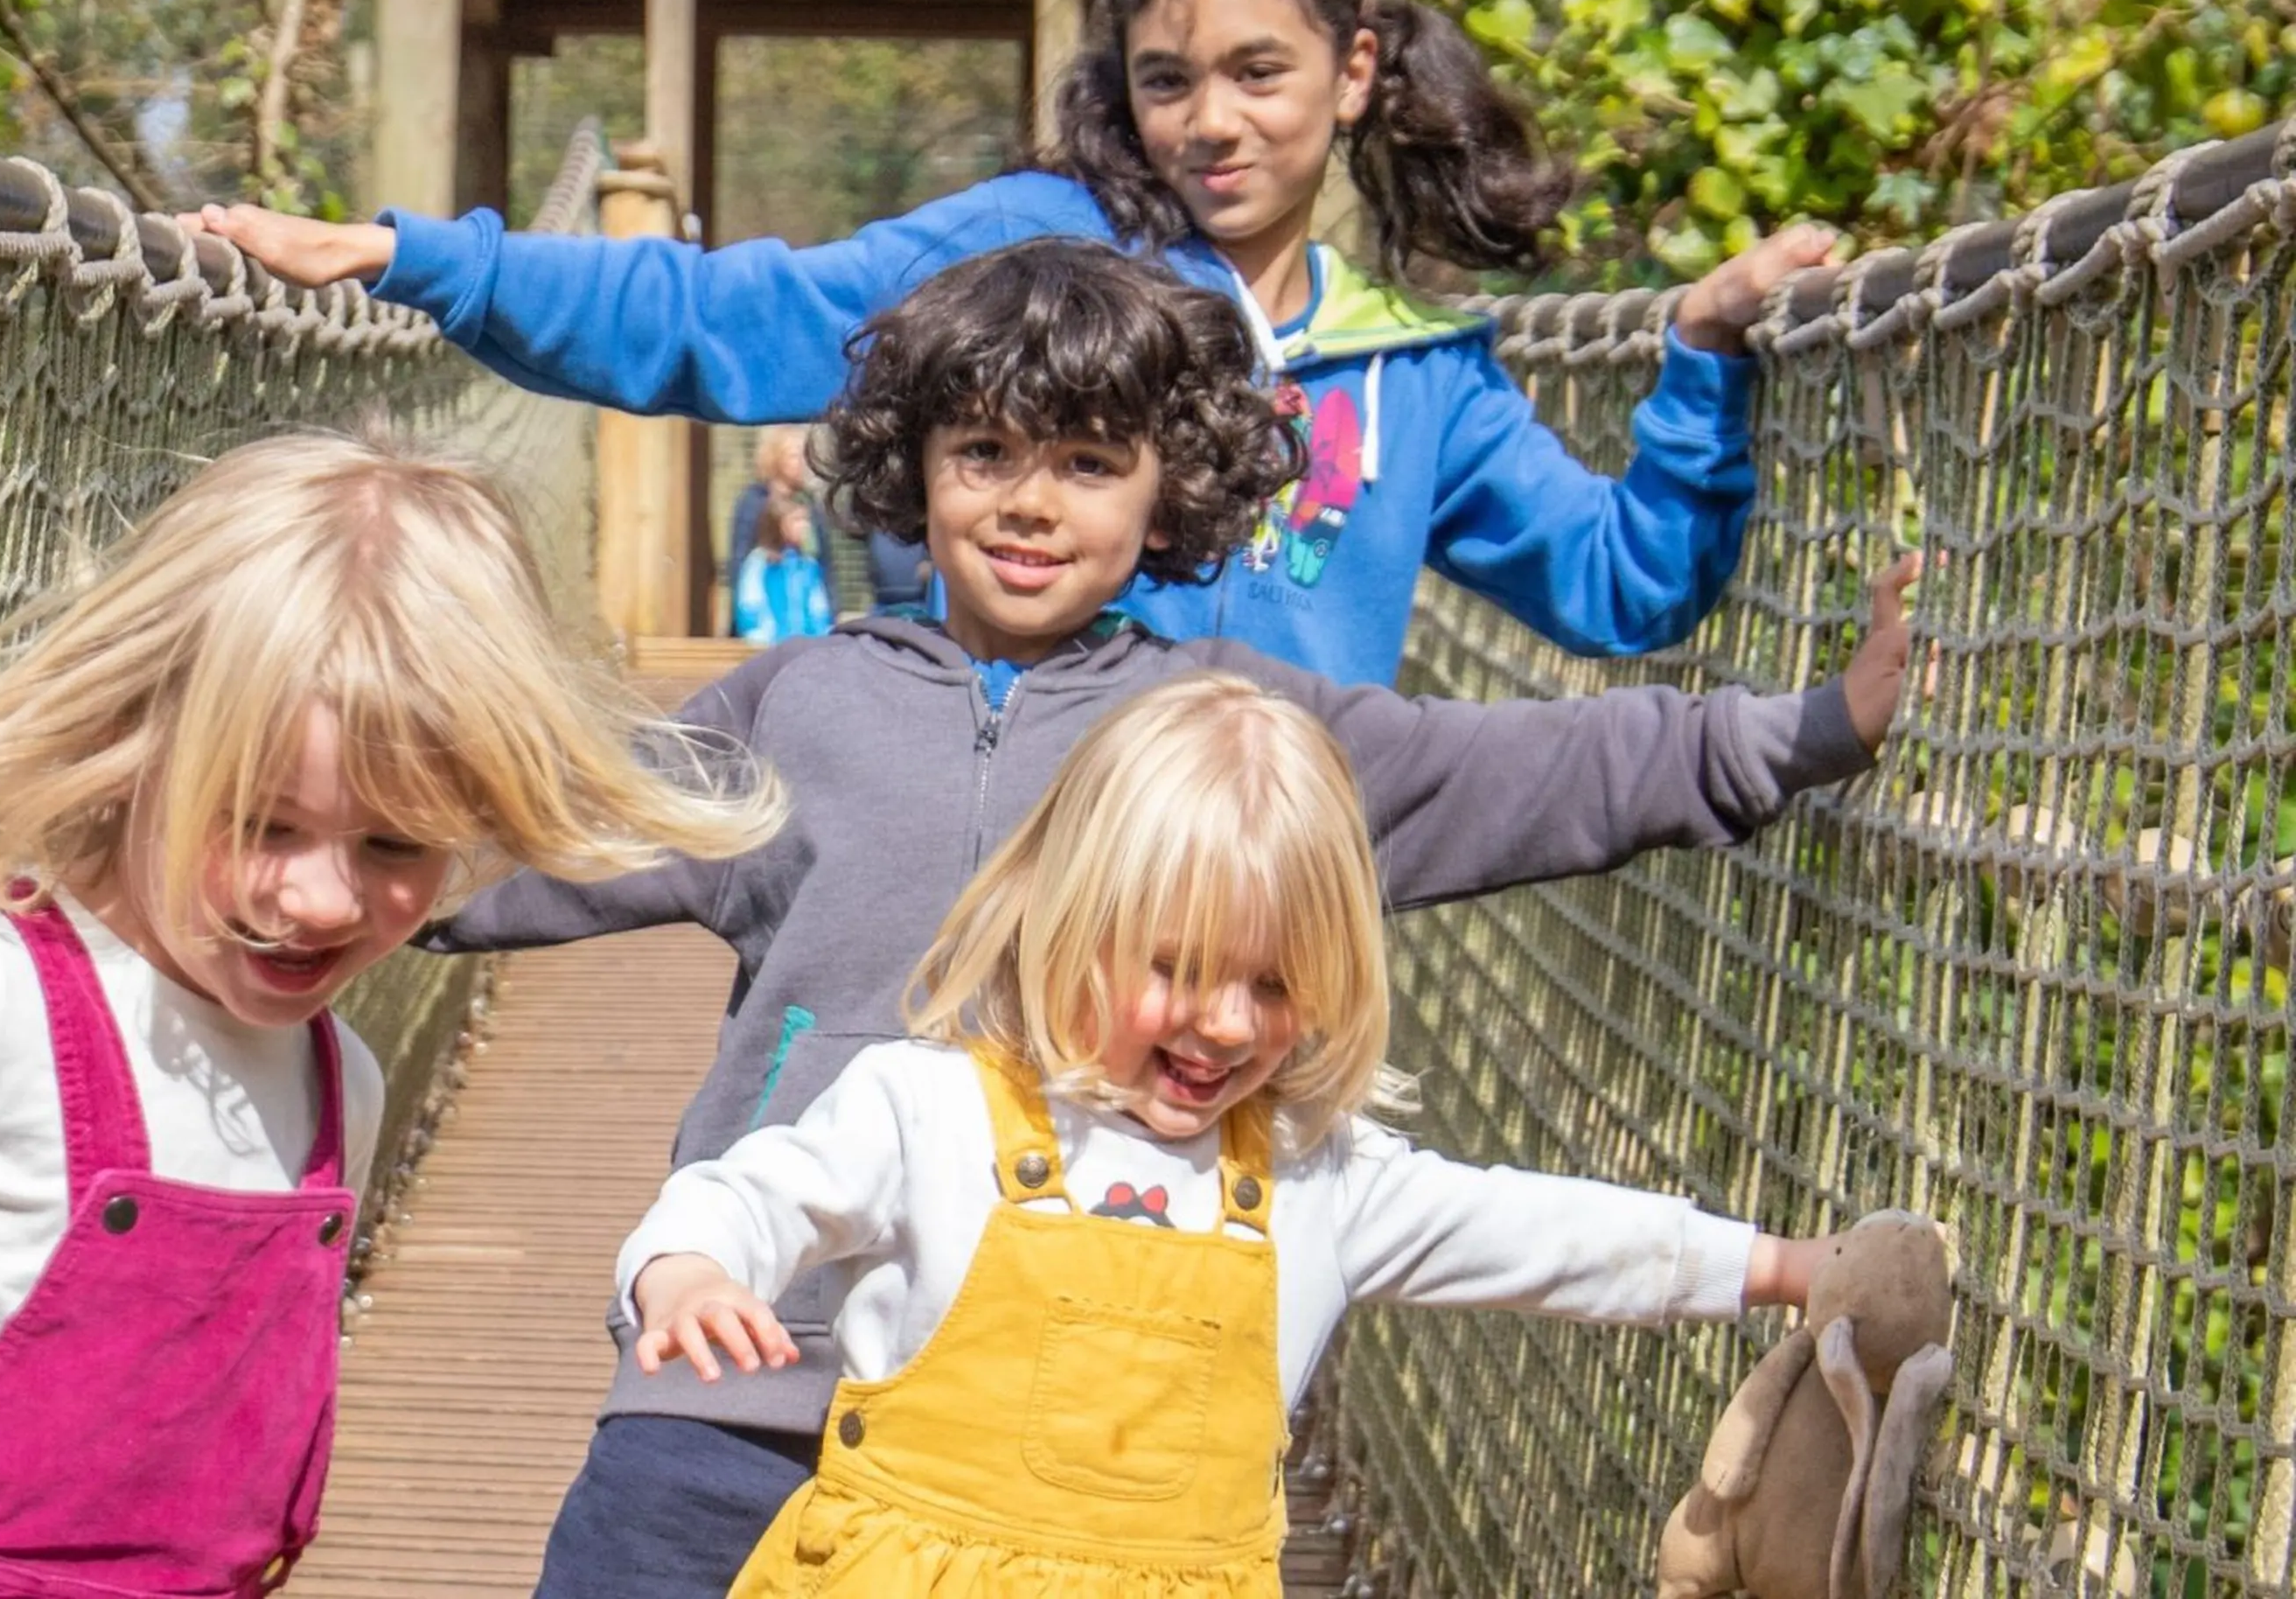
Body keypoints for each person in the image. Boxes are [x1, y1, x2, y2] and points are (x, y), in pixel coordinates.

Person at [422, 240, 1921, 1598]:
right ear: (916, 466)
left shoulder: (1234, 747)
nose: (1028, 499)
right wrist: (311, 868)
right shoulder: (793, 708)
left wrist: (1808, 731)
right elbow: (546, 828)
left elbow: (1526, 770)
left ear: (1169, 487)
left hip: (1066, 1443)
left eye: (1087, 460)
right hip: (738, 1369)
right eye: (986, 451)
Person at [0, 433, 784, 1599]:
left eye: (395, 843)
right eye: (261, 824)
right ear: (141, 749)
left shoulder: (334, 1082)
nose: (320, 896)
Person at [192, 0, 1840, 687]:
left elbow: (1630, 591)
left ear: (1350, 75)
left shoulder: (1418, 371)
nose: (1211, 124)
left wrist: (1700, 358)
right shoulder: (1035, 263)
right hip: (1023, 885)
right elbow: (728, 320)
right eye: (1165, 78)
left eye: (1260, 74)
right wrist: (423, 260)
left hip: (1274, 932)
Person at [626, 672, 1842, 1595]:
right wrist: (687, 1266)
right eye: (1180, 970)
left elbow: (1540, 1233)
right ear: (1070, 924)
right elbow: (754, 1190)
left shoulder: (1316, 1172)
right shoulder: (930, 1106)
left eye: (1273, 986)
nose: (1222, 1024)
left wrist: (1778, 1269)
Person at [724, 425, 825, 606]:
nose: (801, 463)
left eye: (805, 456)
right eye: (794, 456)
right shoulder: (753, 502)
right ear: (775, 457)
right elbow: (739, 560)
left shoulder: (809, 503)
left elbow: (825, 562)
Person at [732, 493, 835, 646]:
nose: (804, 526)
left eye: (806, 520)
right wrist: (761, 638)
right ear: (777, 524)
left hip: (806, 649)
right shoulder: (760, 562)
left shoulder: (808, 564)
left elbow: (818, 608)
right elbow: (750, 605)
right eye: (797, 520)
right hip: (769, 648)